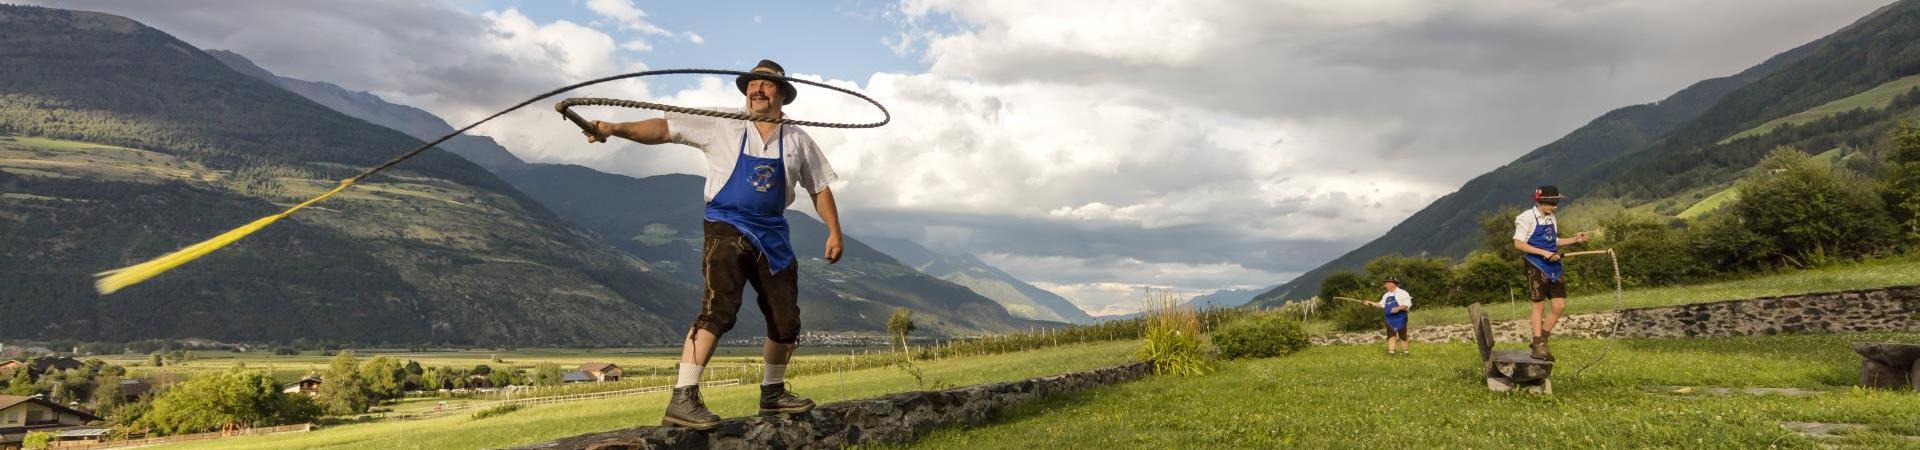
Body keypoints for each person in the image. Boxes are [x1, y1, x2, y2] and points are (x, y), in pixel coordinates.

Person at [584, 59, 842, 430]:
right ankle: (683, 397)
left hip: (774, 234)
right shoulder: (722, 122)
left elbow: (819, 186)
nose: (756, 89)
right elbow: (663, 128)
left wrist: (834, 230)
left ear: (782, 93)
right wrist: (615, 128)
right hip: (726, 226)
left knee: (786, 320)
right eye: (752, 84)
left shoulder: (799, 138)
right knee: (717, 309)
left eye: (766, 84)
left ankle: (772, 393)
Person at [1511, 185, 1589, 361]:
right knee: (1538, 306)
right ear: (1541, 201)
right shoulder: (1525, 217)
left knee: (1559, 306)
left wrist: (1575, 240)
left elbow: (1554, 241)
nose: (1555, 206)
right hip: (1535, 265)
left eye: (1556, 203)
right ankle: (1539, 344)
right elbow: (1518, 244)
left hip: (1554, 266)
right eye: (1553, 203)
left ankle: (1541, 341)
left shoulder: (1551, 218)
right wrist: (1544, 253)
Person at [1374, 277, 1412, 355]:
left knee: (1402, 334)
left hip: (1400, 317)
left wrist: (1398, 308)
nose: (1385, 285)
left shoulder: (1403, 293)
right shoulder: (1386, 295)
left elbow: (1408, 304)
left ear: (1392, 283)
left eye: (1386, 283)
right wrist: (1370, 303)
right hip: (1389, 318)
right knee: (1391, 334)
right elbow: (1381, 305)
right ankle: (1391, 353)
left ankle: (1406, 353)